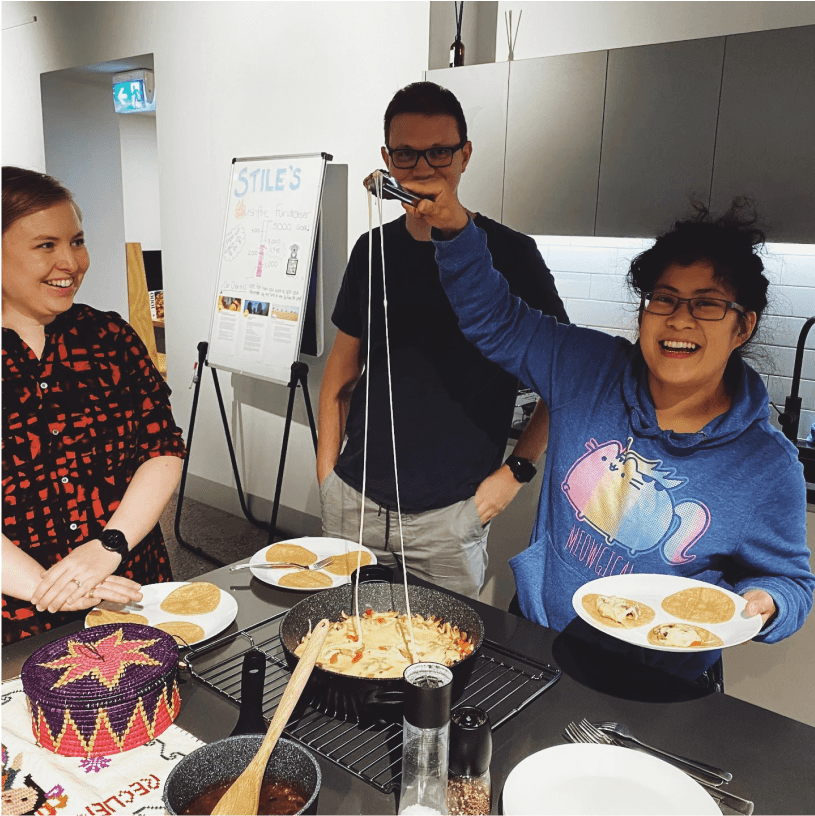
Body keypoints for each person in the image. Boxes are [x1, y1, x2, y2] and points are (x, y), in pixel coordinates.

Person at [410, 184, 814, 683]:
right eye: (664, 299)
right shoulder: (587, 368)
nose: (680, 319)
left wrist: (768, 602)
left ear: (743, 326)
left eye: (707, 304)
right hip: (542, 642)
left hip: (661, 677)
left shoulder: (765, 464)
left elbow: (790, 581)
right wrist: (453, 230)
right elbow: (495, 320)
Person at [318, 82, 568, 598]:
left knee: (443, 666)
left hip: (453, 514)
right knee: (345, 648)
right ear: (388, 158)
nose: (423, 166)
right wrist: (327, 480)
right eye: (406, 153)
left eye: (440, 151)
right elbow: (339, 378)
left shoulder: (513, 254)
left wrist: (515, 473)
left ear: (465, 155)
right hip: (354, 502)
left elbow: (564, 379)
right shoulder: (372, 250)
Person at [1, 166, 185, 646]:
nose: (71, 262)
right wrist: (57, 588)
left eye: (77, 242)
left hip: (128, 583)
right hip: (17, 614)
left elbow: (162, 448)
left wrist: (109, 546)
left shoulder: (109, 337)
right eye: (46, 245)